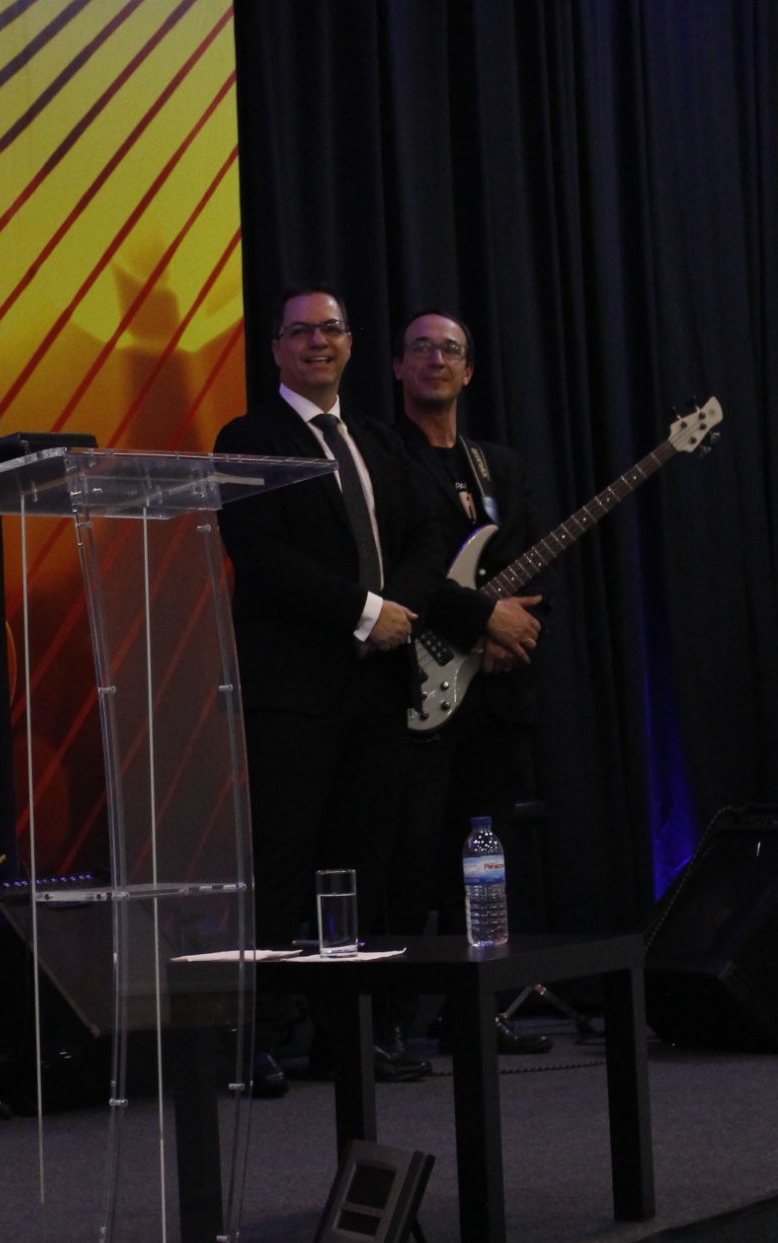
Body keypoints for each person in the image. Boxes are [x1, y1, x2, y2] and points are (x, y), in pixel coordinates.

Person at [213, 285, 462, 1085]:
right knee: (283, 863)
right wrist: (364, 612)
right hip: (294, 691)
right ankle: (255, 1035)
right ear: (276, 350)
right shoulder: (249, 437)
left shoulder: (380, 441)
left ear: (352, 344)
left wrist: (399, 613)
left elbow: (430, 536)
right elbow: (261, 556)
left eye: (331, 329)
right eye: (300, 332)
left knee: (358, 867)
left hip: (378, 687)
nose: (317, 342)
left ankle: (344, 1036)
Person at [384, 310, 552, 1056]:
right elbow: (401, 569)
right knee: (409, 855)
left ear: (469, 370)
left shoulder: (498, 467)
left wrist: (517, 632)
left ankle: (475, 1011)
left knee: (483, 858)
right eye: (420, 348)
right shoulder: (384, 457)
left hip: (494, 695)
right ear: (397, 367)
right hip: (415, 689)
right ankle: (388, 1021)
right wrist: (484, 620)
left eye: (450, 349)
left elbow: (530, 563)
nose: (436, 359)